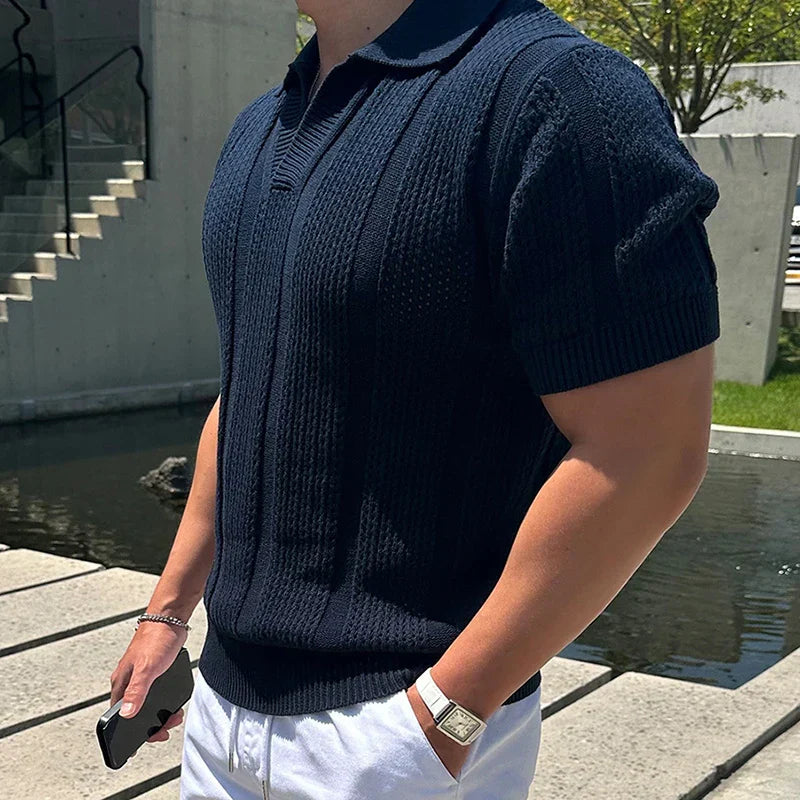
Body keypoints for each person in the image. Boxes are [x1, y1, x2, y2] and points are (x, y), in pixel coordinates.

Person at [109, 0, 722, 797]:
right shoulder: (265, 122)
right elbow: (255, 385)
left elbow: (649, 449)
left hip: (399, 729)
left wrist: (445, 717)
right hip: (221, 712)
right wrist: (167, 611)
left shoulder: (562, 95)